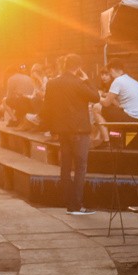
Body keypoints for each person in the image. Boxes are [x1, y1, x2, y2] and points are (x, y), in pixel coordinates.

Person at [42, 54, 100, 215]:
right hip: (79, 131)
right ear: (78, 67)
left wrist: (51, 128)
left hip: (62, 131)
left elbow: (47, 107)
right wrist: (87, 80)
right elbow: (96, 97)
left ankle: (68, 202)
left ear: (65, 65)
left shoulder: (52, 83)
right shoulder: (79, 83)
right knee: (80, 167)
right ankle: (76, 205)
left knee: (65, 167)